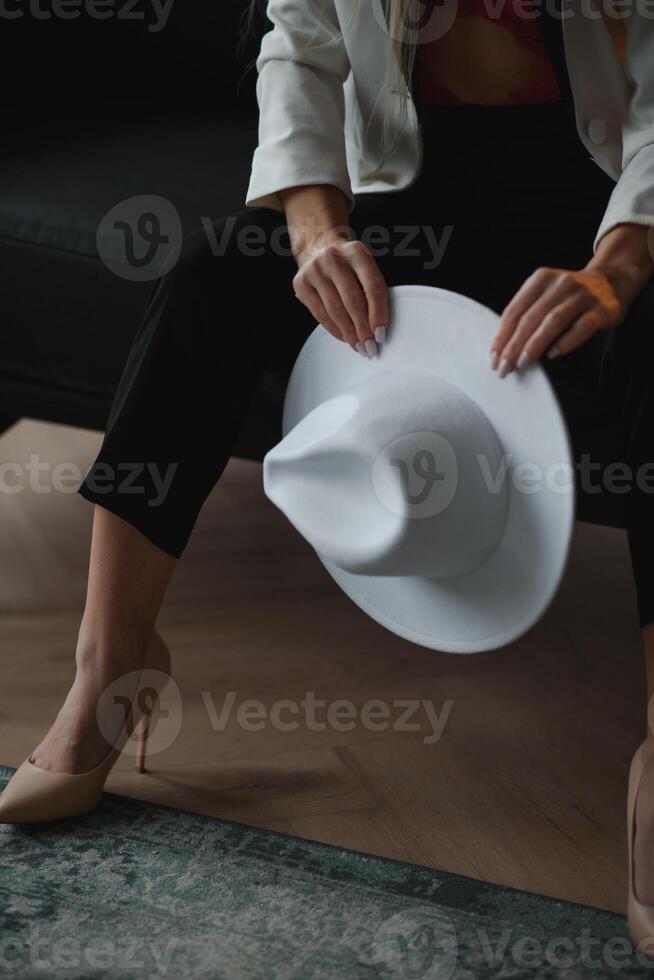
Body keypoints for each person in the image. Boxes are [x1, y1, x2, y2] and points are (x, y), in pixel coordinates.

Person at [1, 0, 653, 947]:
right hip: (417, 191)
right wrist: (315, 230)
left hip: (597, 202)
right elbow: (298, 46)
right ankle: (112, 663)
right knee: (210, 281)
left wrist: (619, 266)